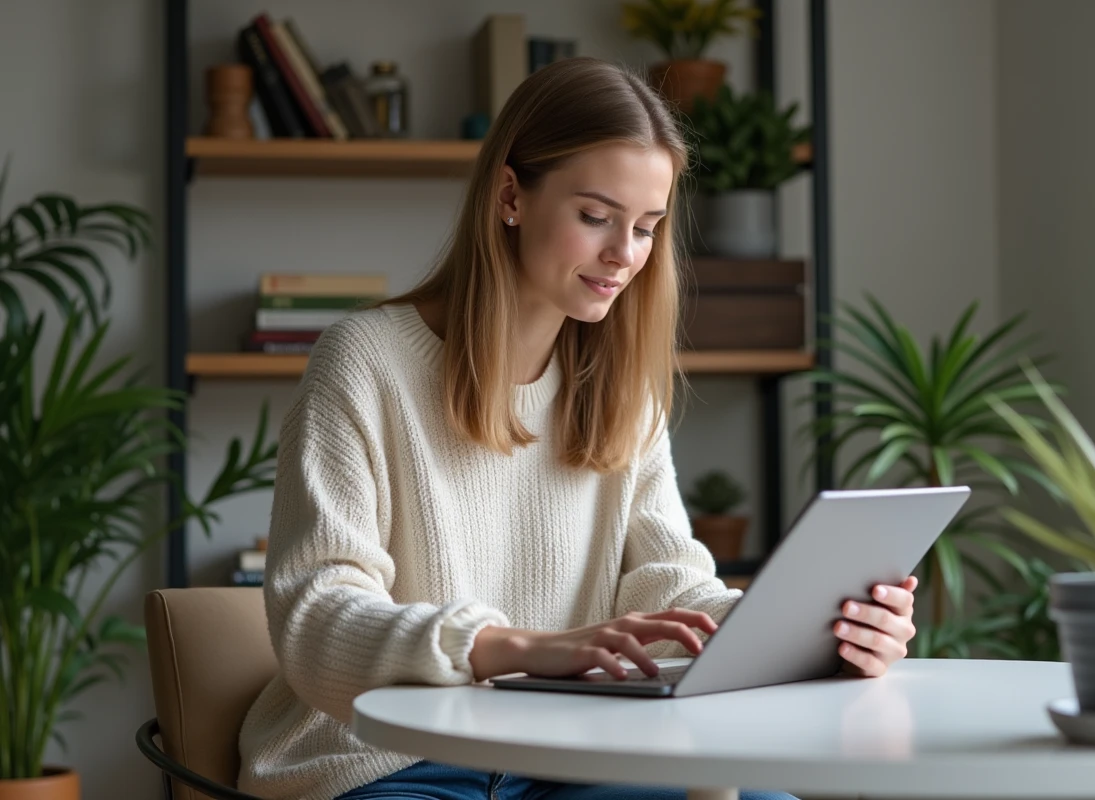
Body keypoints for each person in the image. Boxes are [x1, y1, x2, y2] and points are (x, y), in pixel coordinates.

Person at [237, 56, 919, 800]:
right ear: (510, 197)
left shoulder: (619, 383)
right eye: (595, 217)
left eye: (647, 228)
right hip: (379, 758)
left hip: (568, 753)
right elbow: (317, 617)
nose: (623, 255)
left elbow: (667, 585)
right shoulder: (365, 361)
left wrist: (813, 628)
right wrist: (512, 648)